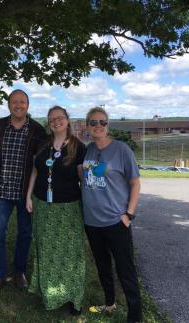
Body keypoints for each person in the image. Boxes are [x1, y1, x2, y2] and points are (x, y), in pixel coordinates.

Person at [81, 107, 142, 323]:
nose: (98, 126)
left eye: (102, 122)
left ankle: (135, 316)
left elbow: (135, 183)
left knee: (125, 269)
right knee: (102, 265)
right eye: (93, 122)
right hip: (92, 222)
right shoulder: (88, 150)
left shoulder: (121, 150)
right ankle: (109, 303)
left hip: (116, 221)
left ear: (107, 126)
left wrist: (129, 214)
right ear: (87, 126)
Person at [0, 89, 47, 296]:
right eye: (14, 101)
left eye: (22, 102)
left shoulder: (38, 130)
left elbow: (48, 154)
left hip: (25, 193)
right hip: (2, 190)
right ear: (9, 104)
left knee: (25, 234)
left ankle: (19, 272)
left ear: (28, 105)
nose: (18, 105)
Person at [26, 106, 86, 315]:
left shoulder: (79, 147)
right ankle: (49, 291)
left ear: (67, 120)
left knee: (70, 252)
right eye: (52, 119)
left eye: (60, 118)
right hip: (43, 205)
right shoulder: (44, 145)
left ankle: (72, 295)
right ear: (49, 123)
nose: (56, 121)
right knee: (46, 249)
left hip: (68, 208)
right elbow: (35, 171)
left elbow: (83, 178)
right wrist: (28, 197)